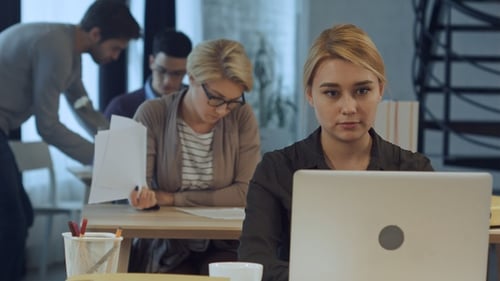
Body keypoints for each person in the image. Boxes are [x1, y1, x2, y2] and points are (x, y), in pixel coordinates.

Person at [237, 23, 434, 281]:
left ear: (380, 90)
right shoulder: (276, 170)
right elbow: (255, 263)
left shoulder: (415, 171)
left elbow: (433, 261)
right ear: (310, 94)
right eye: (331, 93)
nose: (349, 107)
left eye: (362, 91)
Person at [0, 1, 140, 280]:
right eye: (116, 48)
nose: (115, 57)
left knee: (22, 216)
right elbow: (48, 126)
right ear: (96, 34)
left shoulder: (69, 50)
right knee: (11, 224)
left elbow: (83, 107)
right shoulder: (56, 47)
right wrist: (103, 159)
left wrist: (117, 147)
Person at [127, 38, 261, 275]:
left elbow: (244, 193)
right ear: (191, 77)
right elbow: (140, 191)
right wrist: (144, 197)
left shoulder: (242, 116)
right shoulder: (153, 114)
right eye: (216, 98)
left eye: (231, 102)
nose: (222, 110)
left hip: (225, 240)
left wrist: (170, 199)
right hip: (167, 243)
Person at [104, 29, 192, 119]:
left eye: (177, 74)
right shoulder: (121, 109)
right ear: (151, 62)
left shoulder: (197, 104)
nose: (167, 81)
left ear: (187, 70)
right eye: (161, 71)